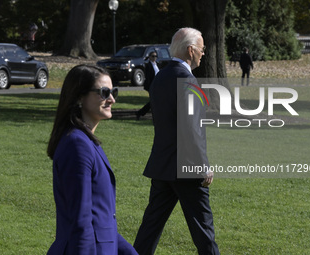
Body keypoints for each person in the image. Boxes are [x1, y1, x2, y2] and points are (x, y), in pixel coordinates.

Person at [133, 27, 220, 255]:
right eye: (201, 49)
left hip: (162, 165)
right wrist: (203, 166)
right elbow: (192, 129)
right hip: (187, 168)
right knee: (204, 232)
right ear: (191, 50)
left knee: (149, 230)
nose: (204, 53)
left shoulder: (161, 77)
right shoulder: (186, 79)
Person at [46, 65, 138, 255]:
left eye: (113, 92)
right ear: (80, 96)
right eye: (104, 92)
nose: (111, 99)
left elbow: (102, 222)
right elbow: (81, 221)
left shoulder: (87, 142)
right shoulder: (77, 146)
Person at [136, 51, 159, 120]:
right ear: (149, 57)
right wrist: (150, 87)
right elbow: (148, 77)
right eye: (152, 56)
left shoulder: (156, 64)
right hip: (152, 86)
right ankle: (141, 112)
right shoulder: (148, 65)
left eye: (155, 56)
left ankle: (141, 112)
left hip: (157, 86)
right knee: (154, 101)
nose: (154, 58)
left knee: (154, 101)